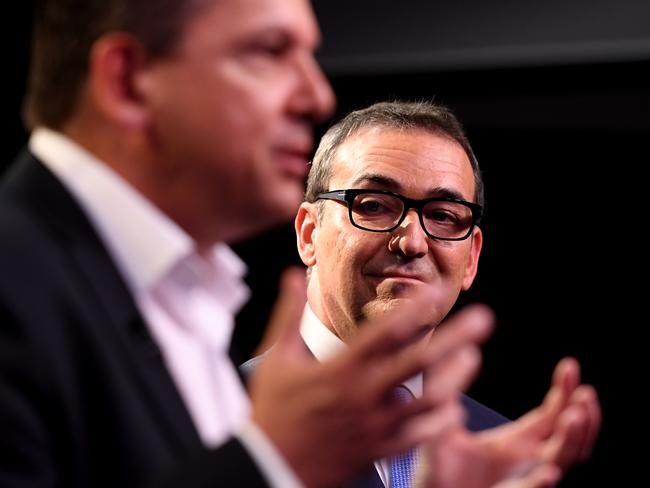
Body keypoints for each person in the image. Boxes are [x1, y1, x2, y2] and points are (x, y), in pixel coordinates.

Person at [0, 1, 500, 488]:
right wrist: (272, 465)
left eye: (442, 215)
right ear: (128, 80)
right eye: (269, 51)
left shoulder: (175, 310)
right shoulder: (20, 282)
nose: (315, 95)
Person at [286, 100, 601, 487]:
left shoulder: (501, 456)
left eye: (444, 216)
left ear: (471, 259)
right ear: (308, 234)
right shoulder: (222, 418)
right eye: (374, 206)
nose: (413, 242)